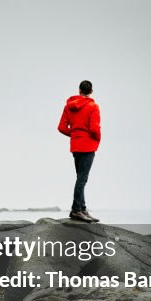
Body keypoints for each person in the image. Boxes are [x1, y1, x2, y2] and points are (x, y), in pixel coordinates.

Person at [57, 80, 101, 223]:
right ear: (91, 91)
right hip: (88, 145)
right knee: (82, 178)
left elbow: (62, 127)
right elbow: (94, 129)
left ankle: (81, 208)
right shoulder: (93, 106)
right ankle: (76, 210)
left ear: (79, 90)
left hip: (76, 145)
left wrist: (75, 135)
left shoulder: (68, 106)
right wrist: (97, 140)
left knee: (81, 177)